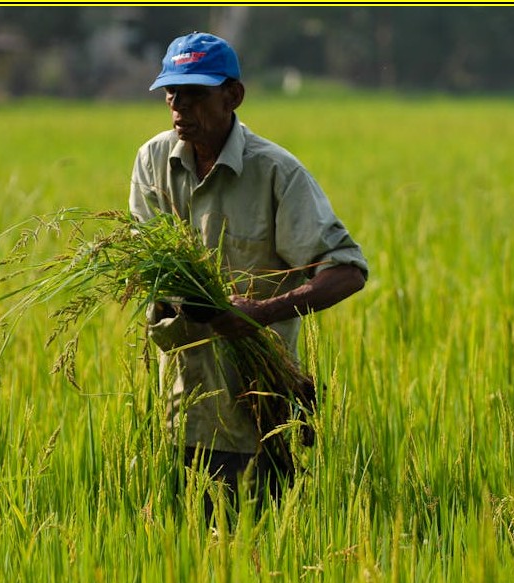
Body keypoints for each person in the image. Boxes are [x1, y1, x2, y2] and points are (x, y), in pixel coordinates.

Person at [129, 32, 368, 517]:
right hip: (179, 407)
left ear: (232, 95)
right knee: (183, 561)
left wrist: (262, 312)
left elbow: (347, 270)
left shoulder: (276, 172)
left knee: (262, 554)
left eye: (195, 93)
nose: (179, 108)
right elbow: (146, 260)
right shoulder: (153, 161)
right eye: (172, 94)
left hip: (259, 409)